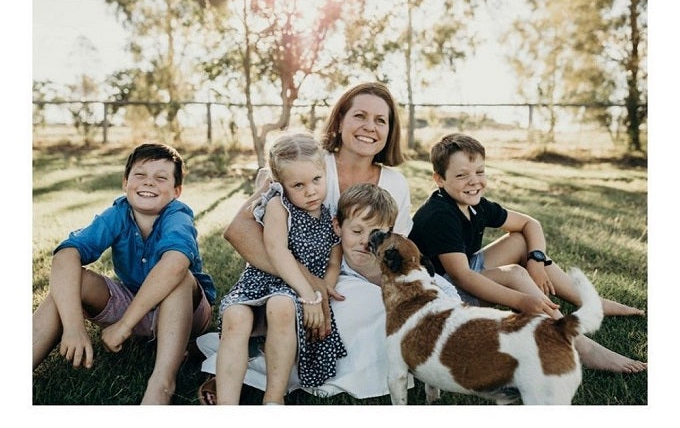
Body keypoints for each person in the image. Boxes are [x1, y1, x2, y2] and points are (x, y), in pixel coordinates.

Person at [196, 81, 416, 401]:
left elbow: (391, 255)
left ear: (390, 129)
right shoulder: (308, 162)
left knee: (374, 310)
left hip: (354, 279)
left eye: (381, 120)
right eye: (360, 116)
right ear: (340, 120)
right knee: (303, 307)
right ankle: (245, 372)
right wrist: (311, 286)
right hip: (292, 273)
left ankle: (258, 373)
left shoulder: (395, 183)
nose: (370, 126)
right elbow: (239, 229)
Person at [409, 133, 647, 373]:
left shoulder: (474, 204)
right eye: (461, 175)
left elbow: (530, 224)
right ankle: (576, 342)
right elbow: (462, 277)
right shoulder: (440, 215)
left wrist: (536, 261)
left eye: (480, 172)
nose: (474, 181)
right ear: (439, 179)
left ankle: (585, 300)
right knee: (514, 273)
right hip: (438, 292)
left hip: (458, 272)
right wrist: (521, 300)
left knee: (521, 242)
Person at [32, 143, 216, 404]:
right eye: (140, 175)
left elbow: (175, 263)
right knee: (74, 280)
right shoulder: (118, 213)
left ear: (177, 191)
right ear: (125, 182)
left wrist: (124, 325)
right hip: (134, 297)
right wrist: (73, 327)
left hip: (184, 310)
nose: (149, 183)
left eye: (161, 177)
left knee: (179, 276)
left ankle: (162, 383)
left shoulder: (178, 216)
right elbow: (65, 256)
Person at [214, 132, 346, 405]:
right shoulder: (278, 206)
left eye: (316, 180)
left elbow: (334, 260)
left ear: (325, 173)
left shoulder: (330, 214)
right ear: (281, 185)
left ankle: (273, 400)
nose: (310, 190)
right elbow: (276, 251)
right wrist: (307, 292)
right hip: (264, 280)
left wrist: (323, 292)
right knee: (236, 316)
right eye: (298, 185)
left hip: (292, 293)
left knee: (282, 305)